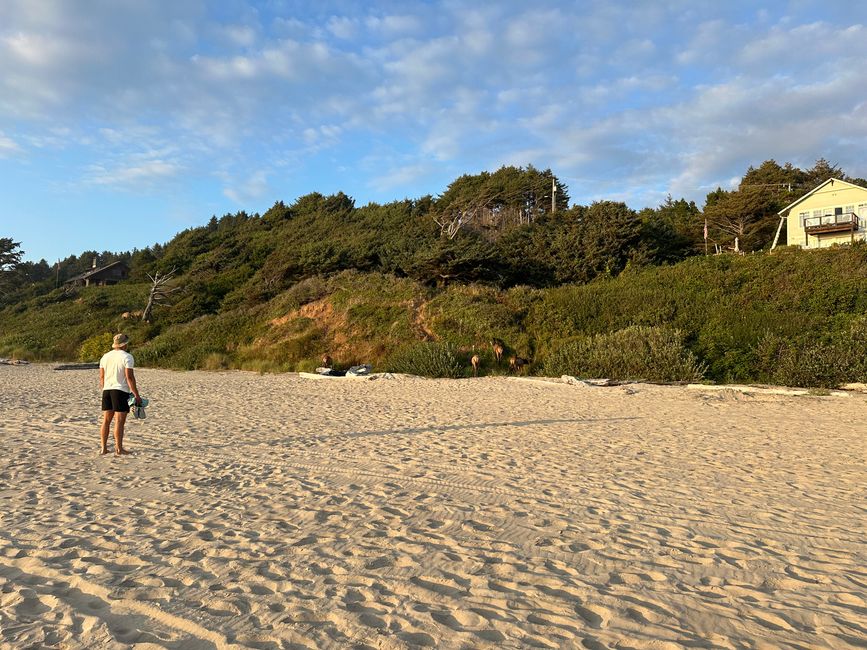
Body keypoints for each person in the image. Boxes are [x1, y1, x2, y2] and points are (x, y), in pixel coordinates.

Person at [98, 333, 142, 455]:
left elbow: (101, 377)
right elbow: (129, 377)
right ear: (125, 344)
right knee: (119, 421)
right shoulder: (127, 357)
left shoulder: (105, 357)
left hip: (107, 390)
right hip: (120, 391)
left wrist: (104, 387)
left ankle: (103, 448)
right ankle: (119, 448)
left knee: (106, 420)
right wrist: (136, 394)